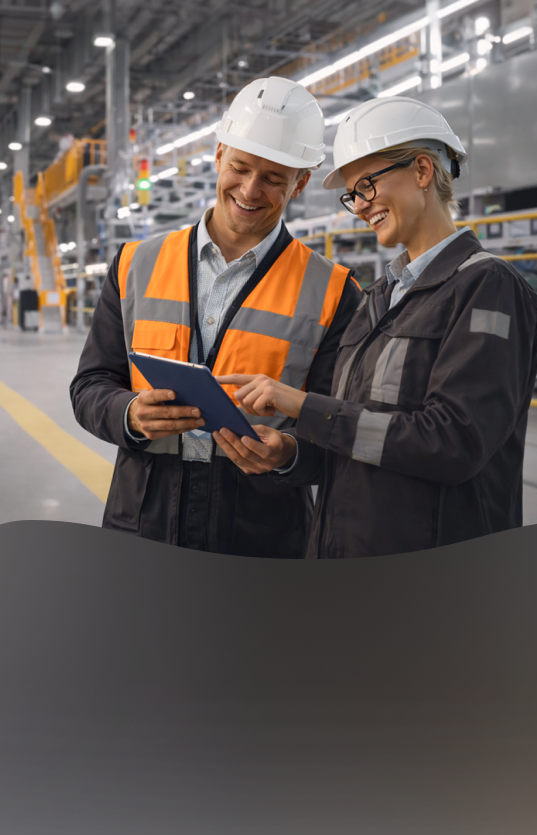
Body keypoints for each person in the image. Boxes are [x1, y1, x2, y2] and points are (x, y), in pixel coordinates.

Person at [211, 97, 537, 559]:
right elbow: (355, 441)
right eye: (354, 195)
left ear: (423, 171)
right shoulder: (376, 300)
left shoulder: (488, 288)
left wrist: (305, 406)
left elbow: (454, 443)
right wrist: (288, 453)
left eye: (367, 185)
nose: (362, 206)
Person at [70, 77, 362, 557]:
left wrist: (290, 455)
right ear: (219, 154)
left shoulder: (334, 292)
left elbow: (339, 430)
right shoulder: (135, 263)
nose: (250, 190)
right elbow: (91, 384)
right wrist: (129, 415)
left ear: (301, 182)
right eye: (241, 167)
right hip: (144, 517)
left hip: (259, 531)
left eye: (273, 178)